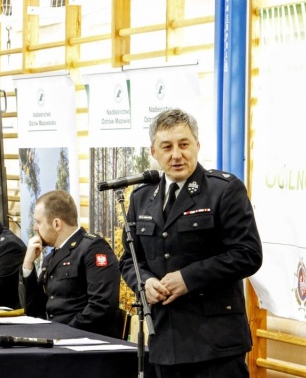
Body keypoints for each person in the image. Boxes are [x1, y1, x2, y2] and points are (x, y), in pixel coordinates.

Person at [119, 108, 263, 378]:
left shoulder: (224, 190)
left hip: (216, 345)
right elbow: (130, 259)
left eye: (184, 144)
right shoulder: (141, 197)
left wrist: (188, 278)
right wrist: (145, 283)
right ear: (154, 152)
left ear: (197, 145)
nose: (176, 155)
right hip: (165, 341)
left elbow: (248, 254)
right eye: (167, 147)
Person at [19, 190, 121, 338]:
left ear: (56, 224)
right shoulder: (50, 258)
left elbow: (101, 306)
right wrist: (28, 265)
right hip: (56, 338)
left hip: (85, 341)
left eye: (38, 222)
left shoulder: (93, 248)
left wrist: (62, 335)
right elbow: (34, 309)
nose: (35, 227)